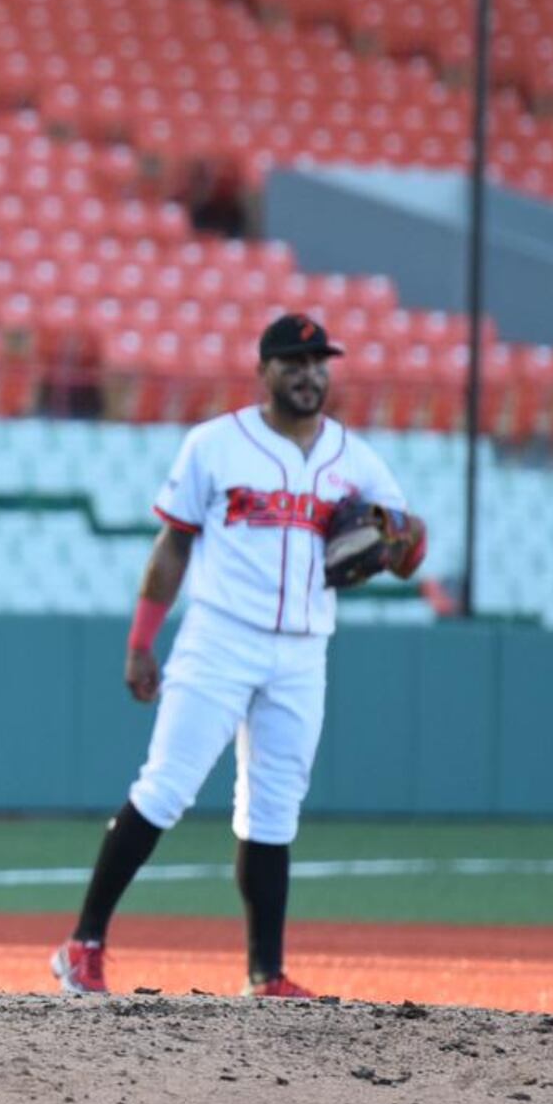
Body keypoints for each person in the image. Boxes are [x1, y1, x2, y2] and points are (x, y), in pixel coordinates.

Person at [52, 313, 427, 999]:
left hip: (305, 649)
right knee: (165, 787)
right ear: (265, 370)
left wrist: (400, 535)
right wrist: (142, 640)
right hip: (220, 638)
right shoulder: (215, 445)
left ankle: (266, 974)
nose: (309, 374)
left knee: (275, 810)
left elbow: (408, 557)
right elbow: (172, 547)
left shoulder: (355, 459)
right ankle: (84, 944)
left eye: (319, 362)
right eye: (294, 361)